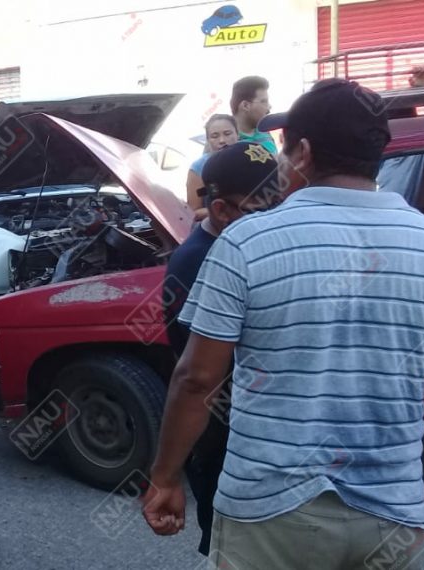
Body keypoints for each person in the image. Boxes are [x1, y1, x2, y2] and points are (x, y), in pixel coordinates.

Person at [142, 79, 424, 568]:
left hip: (267, 509)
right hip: (391, 510)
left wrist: (165, 477)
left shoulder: (245, 243)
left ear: (301, 152)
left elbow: (197, 380)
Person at [161, 141, 278, 557]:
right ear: (221, 209)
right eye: (262, 210)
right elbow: (198, 373)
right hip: (221, 428)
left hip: (260, 428)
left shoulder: (255, 242)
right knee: (225, 541)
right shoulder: (195, 262)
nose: (274, 219)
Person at [184, 114, 238, 216]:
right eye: (215, 136)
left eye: (227, 134)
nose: (222, 140)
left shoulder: (249, 159)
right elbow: (193, 212)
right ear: (208, 140)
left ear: (237, 134)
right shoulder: (198, 168)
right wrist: (228, 211)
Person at [230, 76, 277, 156]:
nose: (269, 106)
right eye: (263, 101)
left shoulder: (265, 132)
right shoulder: (226, 140)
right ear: (245, 105)